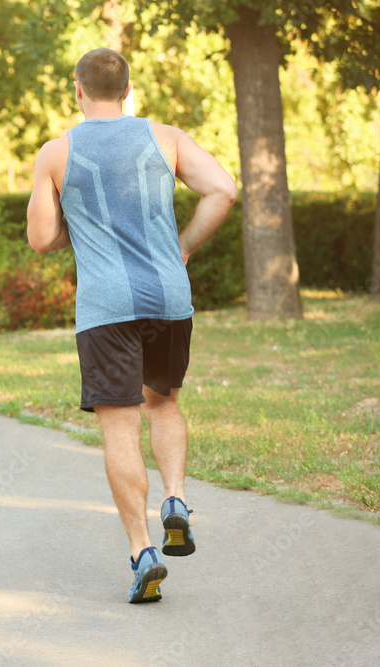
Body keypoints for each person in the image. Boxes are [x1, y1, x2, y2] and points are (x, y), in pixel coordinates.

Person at [26, 48, 238, 603]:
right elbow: (224, 190)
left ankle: (144, 552)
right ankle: (174, 499)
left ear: (77, 90)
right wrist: (184, 246)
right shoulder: (166, 138)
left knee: (121, 427)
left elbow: (42, 238)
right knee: (163, 403)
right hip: (169, 297)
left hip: (106, 307)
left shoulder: (57, 152)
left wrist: (81, 222)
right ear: (128, 89)